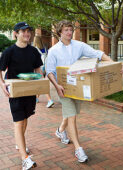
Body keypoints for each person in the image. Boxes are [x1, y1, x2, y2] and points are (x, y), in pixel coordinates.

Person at [46, 20, 113, 163]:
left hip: (78, 88)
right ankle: (78, 149)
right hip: (63, 88)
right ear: (59, 32)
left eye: (70, 29)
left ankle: (60, 130)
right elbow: (50, 72)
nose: (69, 32)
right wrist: (57, 86)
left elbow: (97, 53)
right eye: (66, 30)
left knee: (72, 114)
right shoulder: (53, 51)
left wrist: (113, 64)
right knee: (72, 117)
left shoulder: (79, 46)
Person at [0, 22, 43, 170]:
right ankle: (25, 158)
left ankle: (19, 142)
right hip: (15, 92)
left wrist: (39, 82)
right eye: (23, 31)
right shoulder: (9, 52)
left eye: (28, 31)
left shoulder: (34, 51)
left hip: (29, 91)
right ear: (16, 33)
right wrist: (3, 85)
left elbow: (38, 69)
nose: (27, 34)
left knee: (25, 119)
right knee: (18, 121)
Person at [33, 36, 54, 108]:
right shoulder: (45, 49)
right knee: (39, 84)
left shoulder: (35, 50)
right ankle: (36, 98)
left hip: (39, 69)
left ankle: (50, 100)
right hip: (45, 68)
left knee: (42, 85)